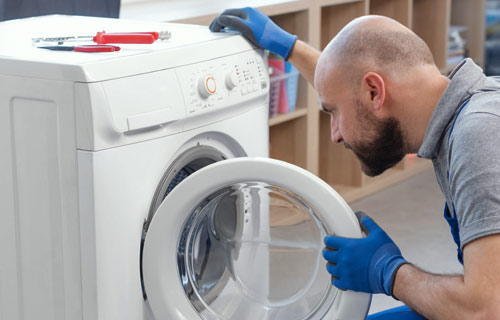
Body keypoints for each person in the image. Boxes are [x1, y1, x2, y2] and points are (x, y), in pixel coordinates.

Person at [210, 7, 500, 320]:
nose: (335, 135)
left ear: (375, 92)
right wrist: (288, 47)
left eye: (333, 112)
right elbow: (350, 83)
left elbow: (485, 309)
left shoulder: (479, 135)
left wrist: (390, 273)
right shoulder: (472, 107)